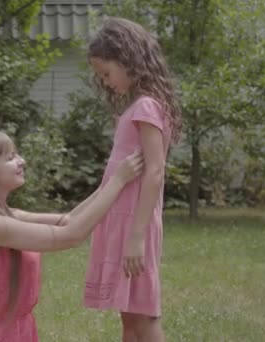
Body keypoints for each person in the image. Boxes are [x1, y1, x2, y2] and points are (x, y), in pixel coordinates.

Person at [0, 130, 144, 341]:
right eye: (10, 157)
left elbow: (69, 221)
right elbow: (72, 236)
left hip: (21, 330)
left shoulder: (10, 216)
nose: (22, 161)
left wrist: (111, 181)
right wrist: (119, 181)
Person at [83, 17, 183, 342]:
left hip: (134, 227)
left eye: (107, 74)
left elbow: (155, 171)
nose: (106, 82)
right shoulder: (138, 108)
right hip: (123, 224)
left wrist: (136, 237)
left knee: (144, 320)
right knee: (129, 320)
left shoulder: (146, 106)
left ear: (127, 60)